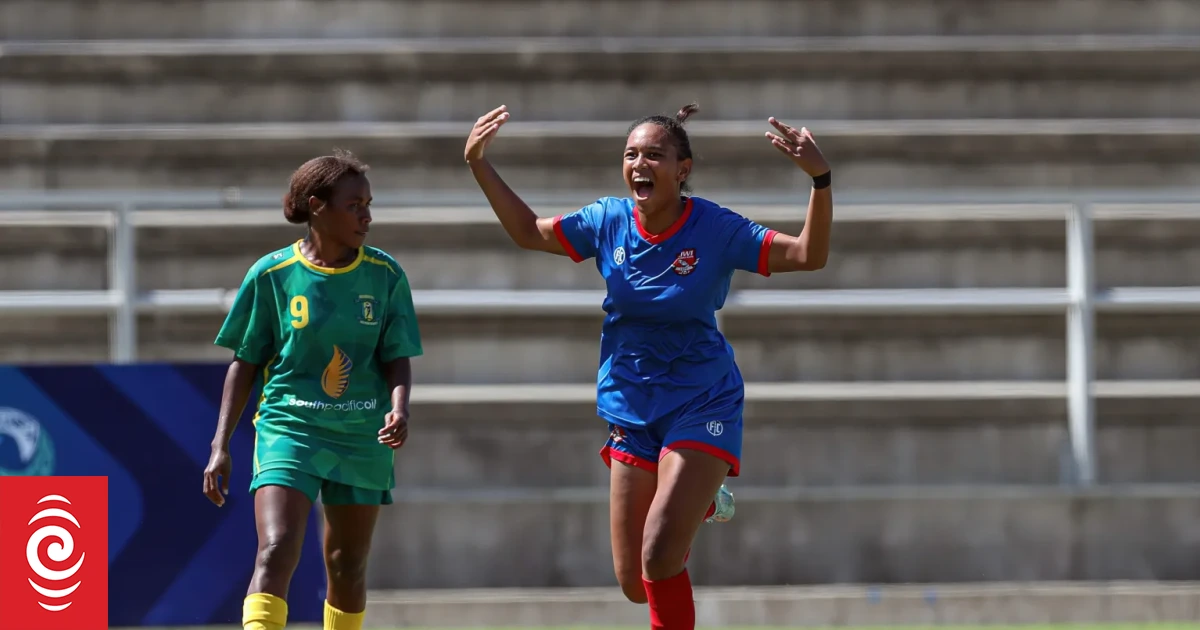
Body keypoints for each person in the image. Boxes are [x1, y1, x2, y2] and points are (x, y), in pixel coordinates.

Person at [464, 103, 832, 629]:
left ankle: (693, 487)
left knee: (659, 554)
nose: (640, 163)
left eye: (654, 155)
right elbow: (529, 231)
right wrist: (478, 163)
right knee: (636, 583)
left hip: (702, 399)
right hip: (632, 405)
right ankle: (701, 498)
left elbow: (806, 255)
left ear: (682, 170)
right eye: (631, 154)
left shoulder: (715, 227)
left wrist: (820, 180)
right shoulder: (607, 220)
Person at [201, 150, 423, 630]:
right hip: (290, 425)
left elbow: (396, 356)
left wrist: (399, 409)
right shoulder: (272, 275)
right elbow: (245, 361)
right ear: (317, 206)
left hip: (361, 432)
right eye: (353, 205)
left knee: (347, 564)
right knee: (277, 546)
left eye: (369, 203)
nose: (366, 215)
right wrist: (220, 444)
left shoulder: (385, 276)